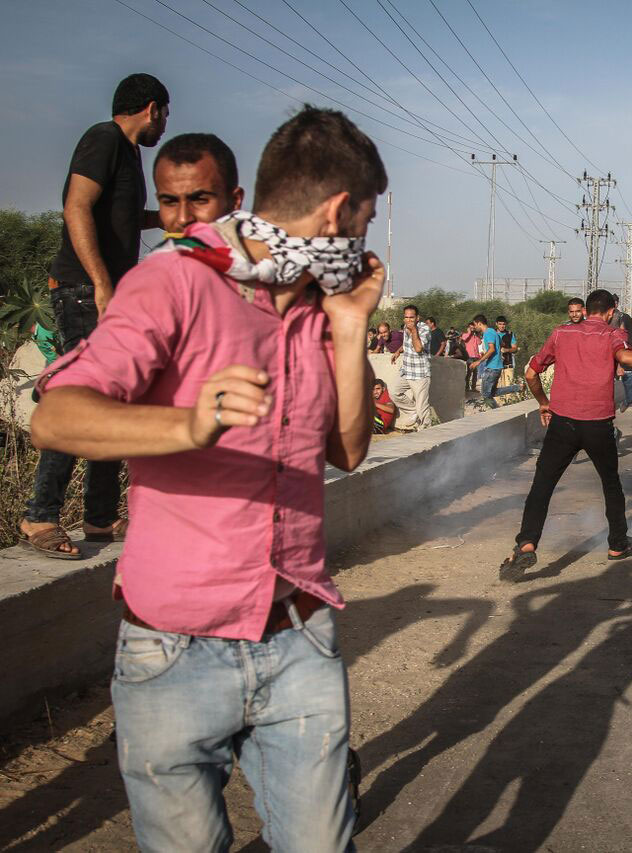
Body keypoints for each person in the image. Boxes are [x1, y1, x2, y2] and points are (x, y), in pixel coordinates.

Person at [30, 104, 386, 850]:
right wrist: (188, 425)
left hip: (297, 639)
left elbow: (347, 451)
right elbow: (57, 417)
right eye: (366, 219)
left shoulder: (320, 311)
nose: (366, 239)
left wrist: (351, 330)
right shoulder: (177, 283)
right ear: (337, 212)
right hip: (174, 651)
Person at [20, 74, 170, 559]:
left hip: (108, 294)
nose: (165, 125)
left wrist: (164, 217)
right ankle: (40, 516)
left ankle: (100, 518)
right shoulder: (102, 138)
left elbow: (117, 215)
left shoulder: (129, 154)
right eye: (165, 115)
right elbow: (76, 208)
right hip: (85, 292)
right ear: (152, 108)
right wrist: (102, 283)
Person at [499, 289, 632, 580]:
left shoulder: (561, 333)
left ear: (586, 309)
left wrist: (544, 403)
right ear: (611, 310)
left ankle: (526, 543)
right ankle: (618, 544)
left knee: (542, 484)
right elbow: (627, 358)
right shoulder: (612, 334)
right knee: (610, 484)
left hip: (562, 423)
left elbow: (531, 373)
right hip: (598, 423)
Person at [391, 304, 434, 430]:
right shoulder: (405, 327)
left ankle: (426, 432)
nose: (409, 320)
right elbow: (407, 344)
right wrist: (398, 351)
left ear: (417, 318)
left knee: (423, 409)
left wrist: (414, 331)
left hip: (420, 374)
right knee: (394, 392)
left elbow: (419, 348)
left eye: (411, 317)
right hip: (406, 370)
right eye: (406, 317)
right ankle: (414, 411)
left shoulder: (424, 329)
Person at [469, 314, 505, 408]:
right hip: (497, 366)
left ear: (479, 323)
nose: (474, 327)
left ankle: (497, 412)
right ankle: (518, 387)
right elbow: (502, 343)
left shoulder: (488, 333)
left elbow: (492, 349)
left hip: (492, 367)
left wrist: (478, 361)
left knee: (485, 395)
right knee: (492, 392)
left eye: (475, 324)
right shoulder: (493, 331)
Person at [461, 321, 482, 391]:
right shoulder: (465, 334)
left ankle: (473, 387)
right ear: (468, 328)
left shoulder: (475, 336)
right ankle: (466, 387)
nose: (472, 329)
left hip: (476, 356)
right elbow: (464, 339)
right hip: (469, 356)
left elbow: (479, 343)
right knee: (469, 373)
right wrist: (469, 332)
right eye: (471, 328)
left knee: (475, 373)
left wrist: (477, 335)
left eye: (473, 328)